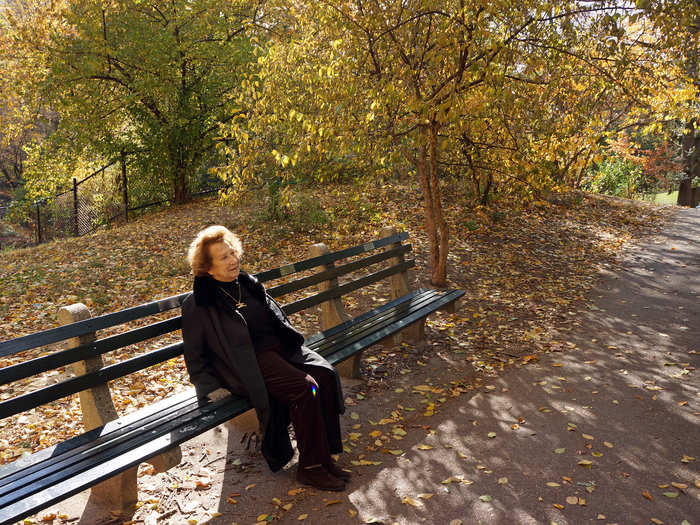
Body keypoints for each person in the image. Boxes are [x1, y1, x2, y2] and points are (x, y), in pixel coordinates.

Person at [181, 225, 349, 491]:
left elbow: (277, 320)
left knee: (325, 376)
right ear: (208, 268)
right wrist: (208, 387)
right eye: (223, 257)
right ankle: (310, 468)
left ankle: (323, 457)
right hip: (247, 362)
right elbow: (193, 352)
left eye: (232, 252)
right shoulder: (199, 302)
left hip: (278, 350)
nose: (233, 260)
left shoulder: (247, 284)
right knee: (306, 388)